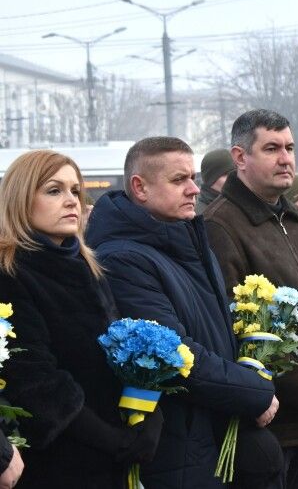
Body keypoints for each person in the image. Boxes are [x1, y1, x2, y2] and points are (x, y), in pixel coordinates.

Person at [85, 137, 279, 489]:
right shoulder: (123, 260)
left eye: (193, 177)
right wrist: (256, 391)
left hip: (208, 435)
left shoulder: (182, 240)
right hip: (179, 450)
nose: (194, 189)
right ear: (140, 187)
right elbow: (175, 356)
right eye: (179, 180)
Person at [0, 150, 163, 488]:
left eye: (76, 190)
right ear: (20, 198)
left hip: (110, 458)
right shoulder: (10, 273)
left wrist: (149, 413)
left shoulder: (88, 267)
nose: (72, 200)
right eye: (54, 190)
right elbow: (33, 379)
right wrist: (110, 439)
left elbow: (122, 351)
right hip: (58, 464)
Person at [204, 109, 298, 489]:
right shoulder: (220, 225)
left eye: (290, 147)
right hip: (267, 419)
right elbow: (238, 326)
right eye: (272, 148)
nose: (286, 159)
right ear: (240, 157)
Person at [197, 148, 235, 214]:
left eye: (236, 173)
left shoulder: (237, 205)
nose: (234, 178)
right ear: (211, 179)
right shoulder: (198, 215)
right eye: (226, 174)